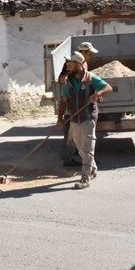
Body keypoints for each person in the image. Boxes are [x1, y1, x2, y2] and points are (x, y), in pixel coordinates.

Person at [57, 51, 112, 189]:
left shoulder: (90, 78)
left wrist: (97, 94)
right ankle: (92, 168)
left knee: (87, 149)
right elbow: (63, 101)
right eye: (67, 65)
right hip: (74, 119)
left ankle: (85, 179)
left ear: (79, 64)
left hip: (88, 118)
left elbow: (108, 88)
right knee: (81, 149)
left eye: (70, 65)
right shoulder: (68, 82)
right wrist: (60, 118)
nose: (67, 68)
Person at [57, 41, 99, 166]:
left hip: (81, 106)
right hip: (72, 106)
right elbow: (61, 80)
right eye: (89, 53)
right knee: (71, 136)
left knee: (79, 138)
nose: (91, 55)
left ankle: (88, 162)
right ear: (83, 52)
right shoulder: (72, 64)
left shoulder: (83, 65)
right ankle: (68, 159)